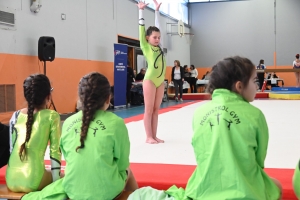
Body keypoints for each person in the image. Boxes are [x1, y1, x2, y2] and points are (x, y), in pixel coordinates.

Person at [167, 56, 282, 199]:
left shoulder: (199, 113)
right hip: (244, 192)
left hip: (203, 190)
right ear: (239, 86)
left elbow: (201, 153)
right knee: (276, 185)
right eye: (254, 81)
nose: (257, 86)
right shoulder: (255, 115)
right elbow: (259, 161)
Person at [22, 72, 138, 200]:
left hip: (72, 190)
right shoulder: (116, 123)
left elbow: (69, 156)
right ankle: (137, 196)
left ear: (81, 98)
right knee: (128, 171)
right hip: (106, 193)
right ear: (108, 98)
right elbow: (122, 163)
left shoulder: (67, 123)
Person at [6, 74, 61, 192]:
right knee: (63, 176)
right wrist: (57, 184)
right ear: (48, 96)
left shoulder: (15, 116)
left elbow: (11, 151)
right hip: (33, 179)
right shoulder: (52, 116)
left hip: (10, 179)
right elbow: (55, 151)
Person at [137, 0, 166, 144]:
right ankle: (148, 137)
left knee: (156, 110)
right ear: (148, 38)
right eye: (155, 37)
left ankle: (154, 135)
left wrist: (156, 11)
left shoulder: (160, 46)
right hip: (149, 80)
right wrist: (141, 11)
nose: (157, 39)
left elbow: (157, 27)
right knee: (148, 110)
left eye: (159, 37)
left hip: (160, 81)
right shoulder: (146, 46)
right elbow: (142, 29)